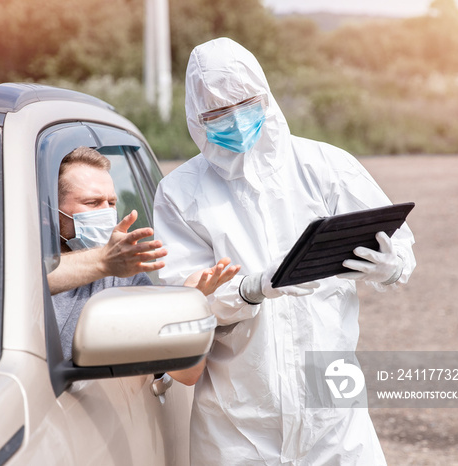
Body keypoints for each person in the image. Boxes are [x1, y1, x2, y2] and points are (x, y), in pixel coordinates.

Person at [153, 38, 416, 465]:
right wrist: (249, 290)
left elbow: (401, 245)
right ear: (197, 118)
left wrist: (388, 266)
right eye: (218, 113)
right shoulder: (181, 194)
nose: (236, 121)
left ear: (265, 96)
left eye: (245, 103)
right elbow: (182, 302)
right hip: (239, 419)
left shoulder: (326, 166)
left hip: (333, 409)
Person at [49, 146, 239, 360]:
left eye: (111, 203)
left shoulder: (123, 278)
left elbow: (185, 375)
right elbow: (24, 282)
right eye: (92, 203)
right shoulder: (17, 265)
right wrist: (102, 262)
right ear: (50, 211)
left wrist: (187, 301)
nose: (106, 212)